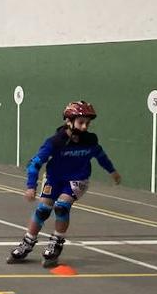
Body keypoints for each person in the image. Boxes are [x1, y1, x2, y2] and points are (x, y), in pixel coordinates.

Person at [9, 101, 121, 268]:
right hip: (54, 178)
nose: (84, 127)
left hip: (78, 179)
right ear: (69, 121)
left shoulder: (90, 141)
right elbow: (34, 164)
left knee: (61, 206)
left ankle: (56, 243)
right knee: (42, 210)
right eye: (81, 122)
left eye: (87, 123)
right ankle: (27, 242)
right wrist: (31, 186)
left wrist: (112, 171)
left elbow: (101, 156)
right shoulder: (55, 142)